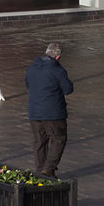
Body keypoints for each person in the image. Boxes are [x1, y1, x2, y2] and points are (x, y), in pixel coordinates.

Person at [24, 41, 74, 177]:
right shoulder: (58, 70)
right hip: (54, 113)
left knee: (39, 141)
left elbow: (28, 84)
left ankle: (40, 171)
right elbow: (68, 89)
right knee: (58, 139)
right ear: (57, 57)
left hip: (34, 112)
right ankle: (49, 168)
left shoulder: (32, 68)